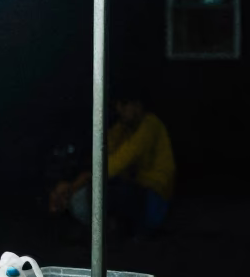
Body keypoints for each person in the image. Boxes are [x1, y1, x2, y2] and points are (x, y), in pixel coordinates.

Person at [49, 89, 175, 238]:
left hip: (153, 201)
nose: (120, 110)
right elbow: (100, 153)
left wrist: (75, 185)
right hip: (136, 192)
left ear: (137, 105)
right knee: (89, 191)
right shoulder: (122, 129)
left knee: (99, 192)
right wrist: (69, 183)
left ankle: (115, 236)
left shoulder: (150, 125)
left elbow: (118, 162)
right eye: (118, 106)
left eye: (124, 105)